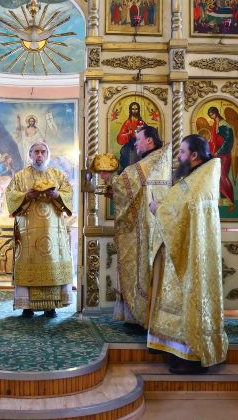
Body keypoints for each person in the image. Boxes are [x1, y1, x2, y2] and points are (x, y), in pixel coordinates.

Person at [147, 135, 228, 374]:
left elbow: (183, 208)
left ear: (194, 155)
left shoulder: (203, 177)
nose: (179, 156)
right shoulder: (196, 175)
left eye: (182, 152)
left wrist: (159, 208)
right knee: (178, 301)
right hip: (182, 247)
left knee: (191, 300)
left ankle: (193, 357)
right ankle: (177, 352)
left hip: (193, 253)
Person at [100, 125, 172, 334]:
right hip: (150, 225)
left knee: (144, 268)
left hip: (147, 228)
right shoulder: (159, 159)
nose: (135, 143)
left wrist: (109, 178)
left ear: (149, 140)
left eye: (138, 139)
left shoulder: (152, 161)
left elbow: (126, 183)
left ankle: (142, 317)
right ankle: (138, 316)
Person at [6, 141, 73, 318]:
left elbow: (69, 194)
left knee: (51, 264)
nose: (39, 155)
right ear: (30, 155)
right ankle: (26, 306)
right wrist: (26, 196)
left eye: (43, 152)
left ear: (47, 155)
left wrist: (57, 195)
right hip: (28, 231)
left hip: (53, 232)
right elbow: (10, 195)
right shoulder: (20, 176)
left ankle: (51, 306)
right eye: (36, 152)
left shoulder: (57, 175)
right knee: (28, 263)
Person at [207, 106, 235, 211]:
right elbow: (213, 140)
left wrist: (218, 151)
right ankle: (223, 202)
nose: (212, 117)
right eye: (210, 115)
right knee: (218, 178)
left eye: (212, 114)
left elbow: (228, 140)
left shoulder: (224, 124)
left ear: (216, 113)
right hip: (217, 154)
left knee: (223, 177)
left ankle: (231, 202)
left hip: (224, 154)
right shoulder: (216, 124)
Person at [116, 102, 143, 173]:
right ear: (130, 110)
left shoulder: (141, 122)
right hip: (131, 147)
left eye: (136, 109)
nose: (134, 111)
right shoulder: (128, 122)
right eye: (133, 109)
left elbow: (147, 133)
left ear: (138, 110)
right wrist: (128, 133)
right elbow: (120, 136)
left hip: (140, 147)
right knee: (130, 166)